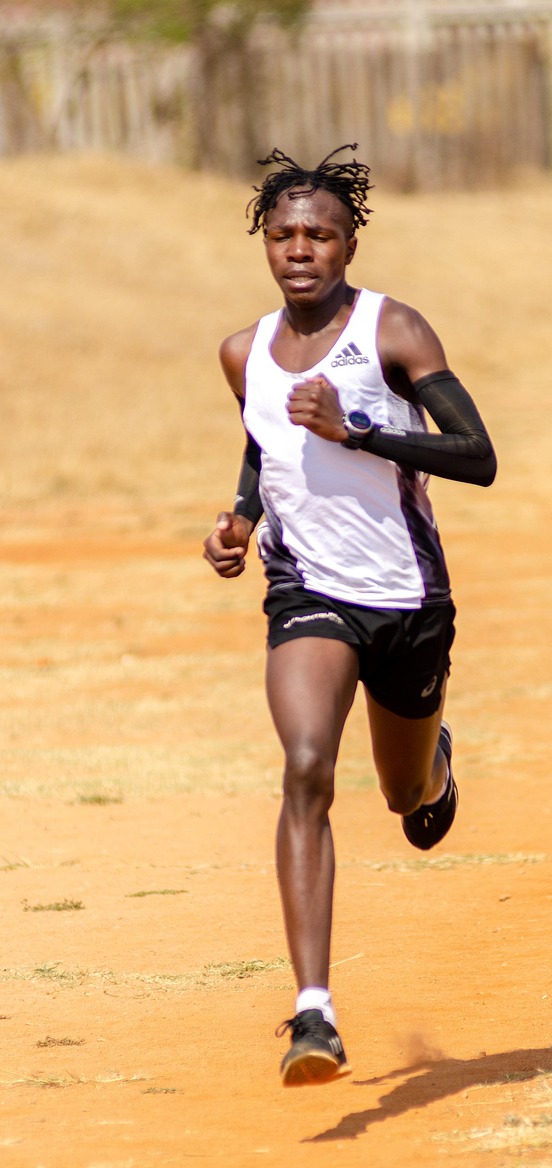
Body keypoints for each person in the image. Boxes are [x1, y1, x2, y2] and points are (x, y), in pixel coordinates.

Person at [203, 144, 496, 1087]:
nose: (301, 249)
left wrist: (360, 431)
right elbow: (263, 442)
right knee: (303, 768)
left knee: (401, 797)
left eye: (320, 234)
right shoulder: (242, 352)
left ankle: (433, 763)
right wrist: (241, 520)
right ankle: (313, 1013)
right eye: (284, 234)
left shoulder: (393, 331)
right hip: (308, 593)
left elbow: (477, 454)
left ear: (348, 242)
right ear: (264, 242)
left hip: (407, 601)